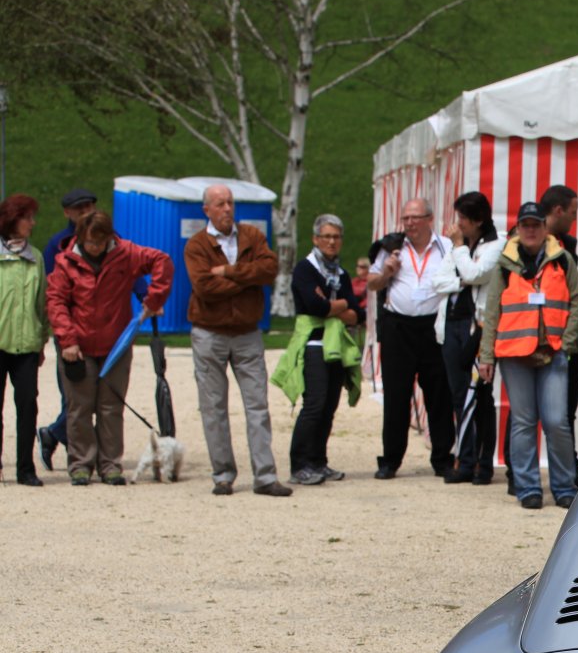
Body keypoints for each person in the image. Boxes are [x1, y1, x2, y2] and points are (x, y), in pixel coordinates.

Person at [45, 211, 173, 486]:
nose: (95, 247)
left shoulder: (125, 253)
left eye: (100, 241)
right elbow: (55, 301)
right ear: (81, 238)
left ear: (108, 237)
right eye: (90, 242)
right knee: (79, 408)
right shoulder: (65, 262)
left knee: (111, 407)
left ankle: (110, 465)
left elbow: (162, 260)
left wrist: (154, 298)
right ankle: (81, 465)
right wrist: (67, 340)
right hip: (78, 346)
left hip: (116, 345)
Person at [183, 184, 290, 496]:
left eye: (230, 202)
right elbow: (204, 288)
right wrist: (247, 280)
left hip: (247, 332)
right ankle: (223, 475)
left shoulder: (252, 236)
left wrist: (229, 272)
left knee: (258, 405)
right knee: (213, 407)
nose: (227, 208)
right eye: (220, 204)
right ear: (206, 210)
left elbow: (269, 270)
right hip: (209, 332)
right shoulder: (196, 245)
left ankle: (265, 476)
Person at [479, 201, 578, 510]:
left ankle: (563, 486)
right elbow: (492, 311)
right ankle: (527, 488)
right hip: (514, 353)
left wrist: (567, 342)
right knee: (523, 422)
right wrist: (487, 356)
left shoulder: (562, 259)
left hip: (553, 351)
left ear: (544, 227)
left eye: (536, 224)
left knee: (556, 421)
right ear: (518, 228)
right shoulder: (504, 263)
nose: (531, 230)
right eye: (525, 225)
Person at [367, 198, 455, 480]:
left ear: (429, 218)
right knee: (396, 395)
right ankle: (390, 460)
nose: (409, 224)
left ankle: (442, 458)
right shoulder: (392, 247)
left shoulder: (446, 246)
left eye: (415, 218)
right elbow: (371, 283)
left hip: (433, 327)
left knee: (438, 394)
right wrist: (386, 272)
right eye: (405, 218)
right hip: (398, 327)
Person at [277, 213, 361, 486]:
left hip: (337, 346)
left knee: (329, 406)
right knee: (314, 404)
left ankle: (318, 460)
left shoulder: (340, 273)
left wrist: (334, 306)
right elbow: (316, 307)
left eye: (336, 237)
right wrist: (339, 306)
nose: (332, 242)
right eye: (326, 236)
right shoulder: (305, 269)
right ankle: (299, 463)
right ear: (315, 239)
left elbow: (357, 313)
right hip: (314, 344)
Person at [37, 188, 111, 472]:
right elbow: (51, 289)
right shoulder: (57, 244)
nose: (85, 211)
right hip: (70, 329)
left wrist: (144, 296)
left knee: (97, 395)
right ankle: (71, 443)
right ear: (67, 213)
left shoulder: (108, 237)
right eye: (79, 208)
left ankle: (60, 436)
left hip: (103, 328)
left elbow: (127, 268)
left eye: (89, 206)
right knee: (76, 396)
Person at [430, 191, 500, 484]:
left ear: (478, 219)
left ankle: (483, 463)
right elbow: (437, 281)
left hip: (477, 328)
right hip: (451, 325)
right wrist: (460, 276)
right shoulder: (457, 248)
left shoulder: (495, 245)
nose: (457, 224)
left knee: (480, 395)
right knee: (459, 395)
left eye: (463, 218)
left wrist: (459, 251)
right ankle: (465, 458)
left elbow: (476, 274)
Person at [539, 185, 578, 484]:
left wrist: (571, 341)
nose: (574, 218)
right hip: (537, 338)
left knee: (565, 410)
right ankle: (520, 473)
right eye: (573, 212)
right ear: (558, 211)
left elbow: (575, 296)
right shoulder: (526, 242)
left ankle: (567, 469)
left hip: (568, 338)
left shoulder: (567, 245)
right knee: (526, 413)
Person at [0, 195, 50, 487]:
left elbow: (42, 303)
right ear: (12, 220)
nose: (33, 223)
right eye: (27, 217)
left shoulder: (37, 258)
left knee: (28, 406)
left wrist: (42, 341)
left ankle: (25, 468)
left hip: (28, 345)